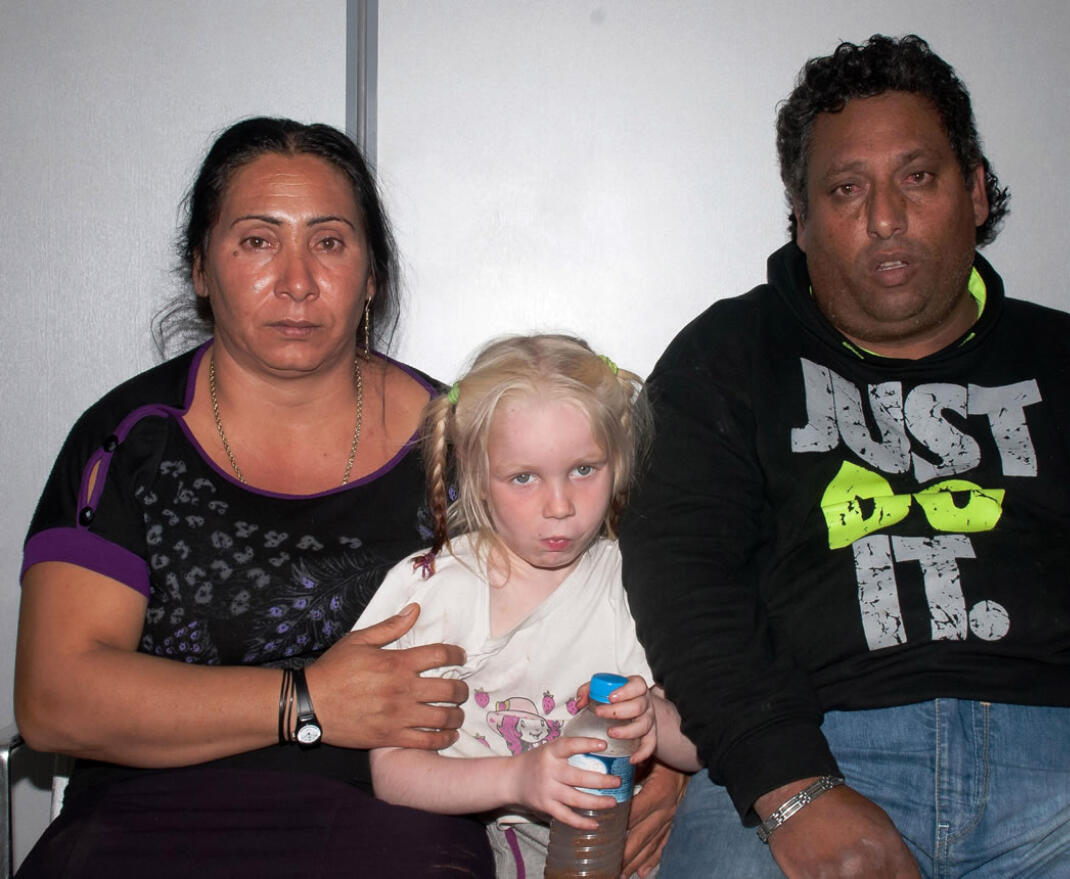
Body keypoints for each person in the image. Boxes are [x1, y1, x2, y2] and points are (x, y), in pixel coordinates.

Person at [620, 34, 1070, 879]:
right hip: (804, 758)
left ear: (975, 191)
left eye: (918, 176)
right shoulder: (727, 357)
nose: (884, 218)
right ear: (801, 218)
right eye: (844, 188)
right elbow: (683, 579)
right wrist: (791, 785)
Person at [13, 117, 496, 877]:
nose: (297, 281)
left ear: (372, 276)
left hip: (394, 818)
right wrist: (305, 701)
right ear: (202, 268)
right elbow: (54, 697)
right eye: (258, 240)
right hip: (141, 818)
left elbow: (589, 610)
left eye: (330, 242)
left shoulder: (467, 446)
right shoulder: (130, 441)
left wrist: (653, 768)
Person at [355, 334, 701, 878]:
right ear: (474, 470)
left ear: (619, 460)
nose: (560, 507)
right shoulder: (431, 591)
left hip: (620, 848)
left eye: (585, 469)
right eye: (523, 478)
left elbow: (706, 745)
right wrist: (518, 780)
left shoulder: (639, 580)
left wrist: (654, 721)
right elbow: (393, 775)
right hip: (476, 845)